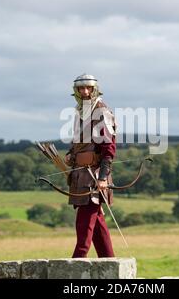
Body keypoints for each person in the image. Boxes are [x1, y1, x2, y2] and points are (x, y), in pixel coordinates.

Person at [64, 73, 117, 258]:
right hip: (80, 175)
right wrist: (71, 155)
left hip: (95, 176)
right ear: (76, 91)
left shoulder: (102, 111)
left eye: (88, 88)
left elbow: (108, 148)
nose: (85, 91)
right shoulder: (80, 111)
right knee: (97, 226)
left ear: (95, 89)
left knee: (84, 223)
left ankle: (77, 262)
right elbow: (78, 142)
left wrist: (103, 178)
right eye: (81, 88)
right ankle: (110, 263)